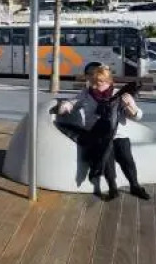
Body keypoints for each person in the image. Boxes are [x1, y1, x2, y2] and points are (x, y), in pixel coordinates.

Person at [58, 65, 150, 201]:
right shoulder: (86, 94)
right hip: (98, 134)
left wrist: (132, 107)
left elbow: (138, 116)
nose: (95, 85)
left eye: (99, 82)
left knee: (126, 157)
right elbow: (73, 102)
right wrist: (66, 106)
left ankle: (135, 186)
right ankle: (113, 188)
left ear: (108, 82)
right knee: (106, 157)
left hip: (118, 133)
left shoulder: (119, 94)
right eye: (94, 82)